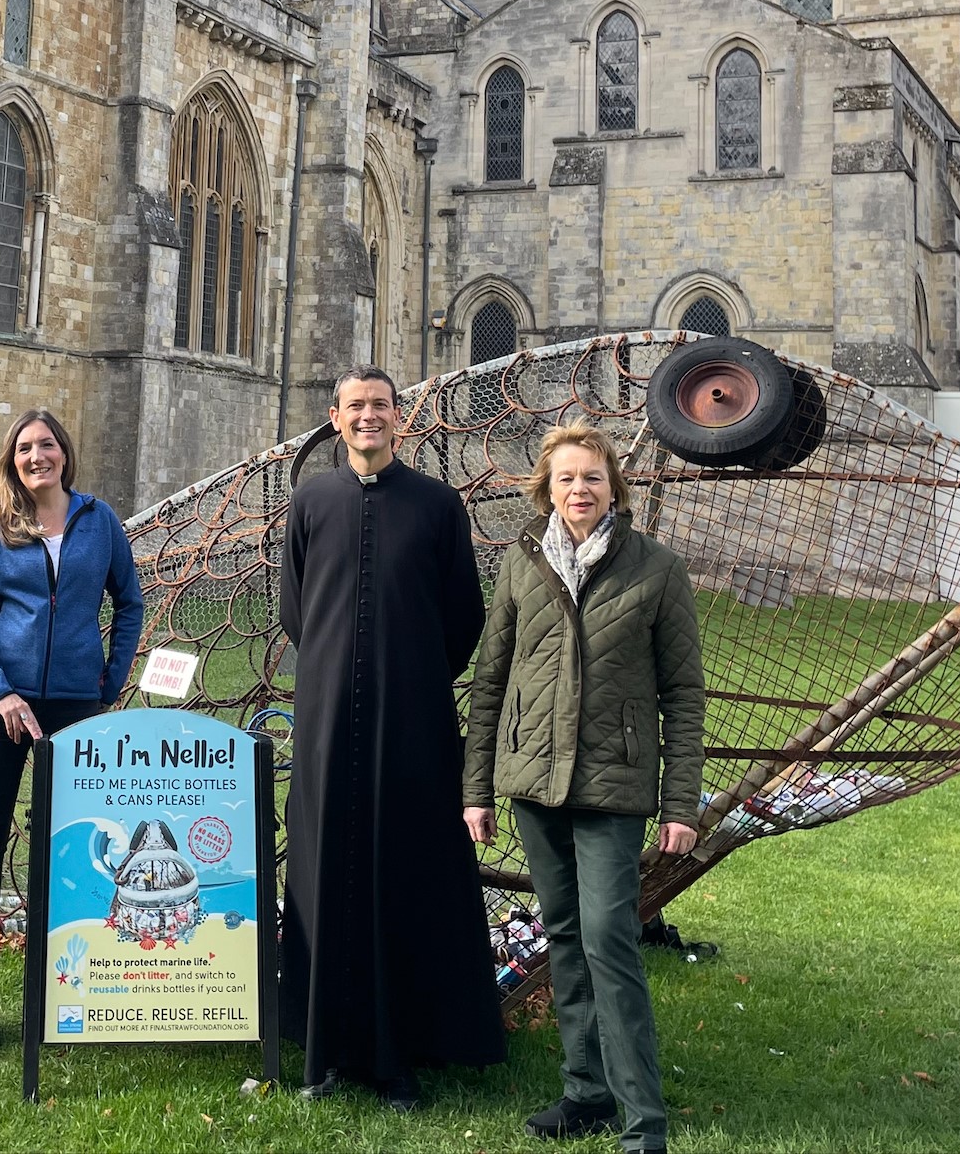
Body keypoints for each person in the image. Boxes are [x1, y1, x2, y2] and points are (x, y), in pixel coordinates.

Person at [463, 422, 704, 1150]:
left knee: (609, 940)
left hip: (612, 787)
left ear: (613, 488)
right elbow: (490, 681)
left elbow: (684, 695)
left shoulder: (657, 569)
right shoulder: (520, 563)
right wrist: (476, 789)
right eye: (566, 479)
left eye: (592, 479)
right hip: (533, 782)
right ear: (546, 488)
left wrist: (680, 804)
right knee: (562, 936)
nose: (579, 491)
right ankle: (586, 1094)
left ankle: (644, 1122)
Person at [279, 365, 506, 1111]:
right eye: (356, 407)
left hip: (412, 724)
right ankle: (327, 1046)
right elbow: (296, 611)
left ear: (397, 418)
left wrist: (407, 676)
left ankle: (404, 1046)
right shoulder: (309, 501)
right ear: (335, 417)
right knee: (324, 868)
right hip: (323, 724)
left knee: (403, 870)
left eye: (380, 405)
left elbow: (463, 617)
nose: (368, 417)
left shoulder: (439, 505)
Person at [0, 407, 145, 1048]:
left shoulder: (100, 521)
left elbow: (130, 602)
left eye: (49, 445)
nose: (39, 456)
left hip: (73, 706)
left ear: (65, 453)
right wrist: (0, 693)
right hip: (2, 708)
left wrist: (109, 682)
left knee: (68, 843)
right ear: (13, 457)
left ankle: (67, 986)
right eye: (27, 447)